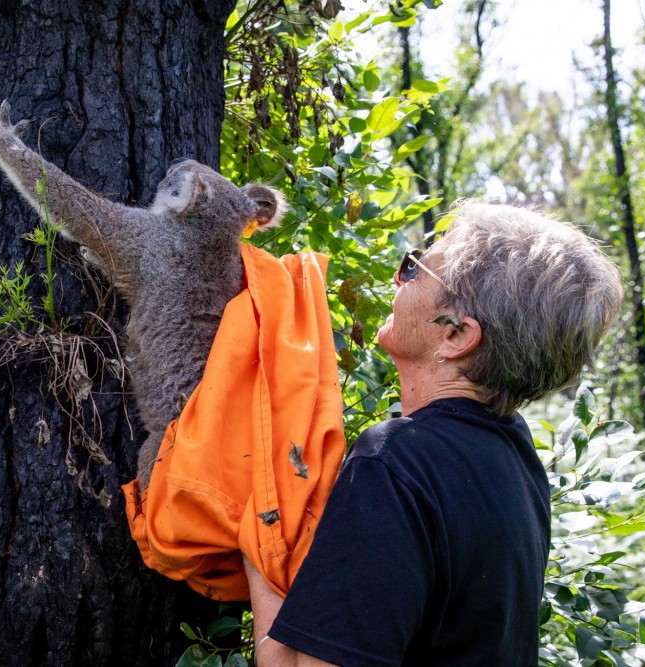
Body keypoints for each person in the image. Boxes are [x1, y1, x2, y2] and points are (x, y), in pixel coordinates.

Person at [243, 202, 624, 666]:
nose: (397, 279)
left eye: (415, 269)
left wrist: (256, 537)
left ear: (456, 336)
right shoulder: (517, 456)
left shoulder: (397, 462)